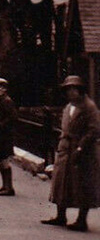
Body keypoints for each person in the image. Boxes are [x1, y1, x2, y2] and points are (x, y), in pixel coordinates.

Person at [42, 76, 100, 232]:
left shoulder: (89, 107)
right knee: (61, 183)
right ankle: (61, 216)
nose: (70, 92)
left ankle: (82, 220)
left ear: (80, 90)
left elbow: (94, 130)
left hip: (83, 151)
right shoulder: (69, 107)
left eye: (73, 89)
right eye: (68, 89)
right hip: (65, 149)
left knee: (83, 185)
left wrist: (81, 148)